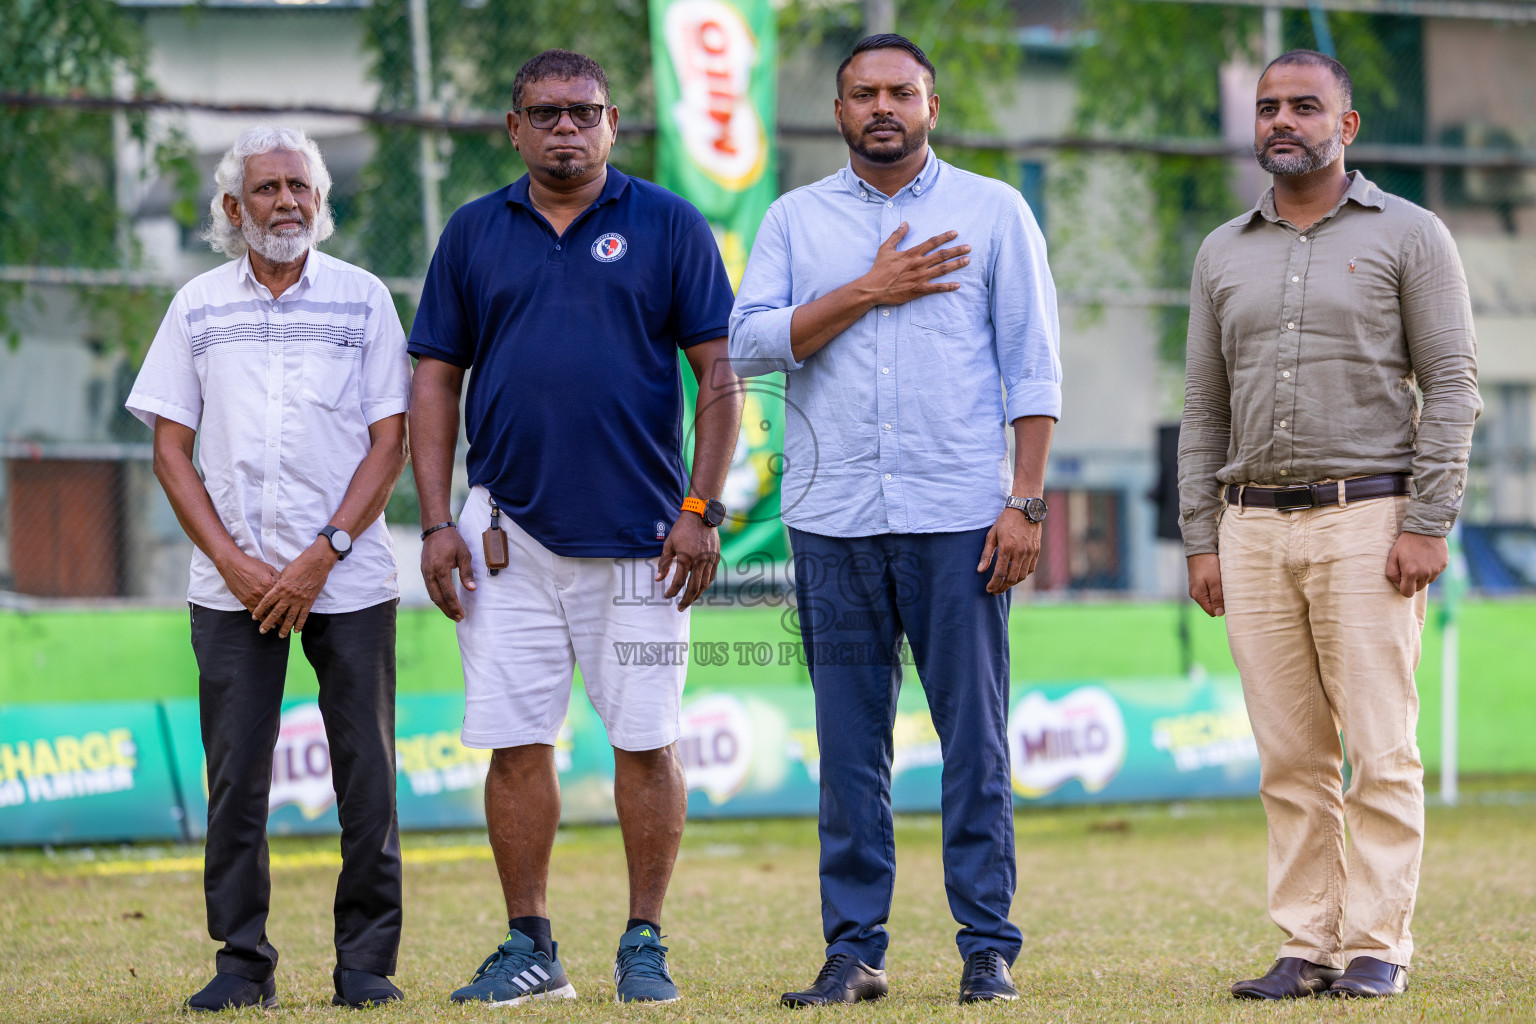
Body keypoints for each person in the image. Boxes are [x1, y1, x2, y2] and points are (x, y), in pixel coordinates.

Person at [730, 33, 1061, 1007]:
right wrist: (865, 291)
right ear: (837, 112)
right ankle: (854, 950)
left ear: (931, 103)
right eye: (864, 93)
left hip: (961, 516)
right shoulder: (796, 221)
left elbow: (1032, 364)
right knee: (849, 747)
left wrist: (1025, 500)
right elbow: (749, 346)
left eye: (901, 92)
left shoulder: (993, 212)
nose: (883, 107)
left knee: (976, 741)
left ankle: (986, 948)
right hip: (832, 524)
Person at [407, 49, 743, 1006]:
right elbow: (434, 379)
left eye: (584, 112)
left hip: (647, 541)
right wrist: (437, 522)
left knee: (645, 743)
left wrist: (700, 509)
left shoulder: (670, 224)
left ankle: (644, 942)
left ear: (613, 123)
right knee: (517, 744)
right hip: (503, 538)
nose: (566, 128)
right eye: (545, 113)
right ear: (513, 127)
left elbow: (718, 378)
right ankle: (530, 947)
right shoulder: (474, 232)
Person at [1178, 50, 1480, 1001]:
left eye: (1305, 107)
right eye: (1268, 107)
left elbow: (1455, 386)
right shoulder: (1223, 250)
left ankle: (1378, 944)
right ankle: (1305, 943)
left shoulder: (1412, 235)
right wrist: (1200, 535)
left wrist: (1429, 520)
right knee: (1290, 754)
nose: (1282, 121)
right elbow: (1202, 407)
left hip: (1372, 519)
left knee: (1380, 746)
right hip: (1252, 528)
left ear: (1346, 126)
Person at [126, 125, 411, 1011]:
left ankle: (365, 968)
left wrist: (319, 558)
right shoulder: (197, 307)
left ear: (320, 203)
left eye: (301, 187)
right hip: (230, 589)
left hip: (349, 579)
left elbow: (390, 440)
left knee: (365, 781)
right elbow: (171, 448)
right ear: (231, 208)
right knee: (235, 785)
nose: (286, 202)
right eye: (267, 189)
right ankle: (241, 966)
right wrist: (234, 563)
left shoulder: (364, 301)